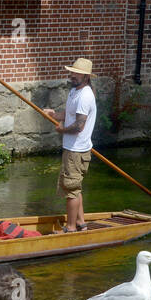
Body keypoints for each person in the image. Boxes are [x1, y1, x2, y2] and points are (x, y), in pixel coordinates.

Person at [42, 57, 96, 233]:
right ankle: (81, 223)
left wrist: (62, 130)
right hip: (72, 149)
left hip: (77, 150)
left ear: (86, 77)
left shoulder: (85, 96)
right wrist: (55, 115)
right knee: (74, 186)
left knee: (71, 189)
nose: (73, 75)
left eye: (77, 73)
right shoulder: (75, 91)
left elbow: (79, 126)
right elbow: (69, 113)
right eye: (72, 72)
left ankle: (71, 228)